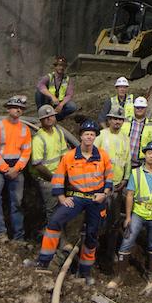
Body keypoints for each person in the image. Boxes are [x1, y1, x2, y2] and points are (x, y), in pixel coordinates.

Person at [34, 120, 113, 284]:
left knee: (92, 235)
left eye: (92, 134)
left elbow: (109, 178)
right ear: (81, 136)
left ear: (95, 137)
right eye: (86, 134)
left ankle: (84, 272)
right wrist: (62, 197)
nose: (89, 137)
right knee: (54, 222)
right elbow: (58, 178)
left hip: (96, 199)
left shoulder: (103, 156)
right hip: (76, 197)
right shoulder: (69, 156)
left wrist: (104, 194)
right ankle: (43, 261)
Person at [112, 141, 152, 289]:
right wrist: (128, 216)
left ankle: (150, 274)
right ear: (145, 155)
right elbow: (130, 195)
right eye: (149, 153)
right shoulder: (136, 173)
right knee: (127, 241)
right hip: (139, 212)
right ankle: (120, 276)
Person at [0, 95, 32, 240]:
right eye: (15, 107)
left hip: (16, 169)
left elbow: (26, 152)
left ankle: (19, 237)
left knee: (17, 202)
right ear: (8, 109)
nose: (18, 110)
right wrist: (6, 169)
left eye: (21, 108)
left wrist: (16, 168)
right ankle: (0, 233)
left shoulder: (25, 129)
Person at [96, 106, 131, 264]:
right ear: (109, 120)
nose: (117, 122)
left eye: (120, 119)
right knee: (98, 219)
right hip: (101, 185)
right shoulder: (101, 136)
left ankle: (110, 252)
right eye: (114, 119)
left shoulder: (125, 138)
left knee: (114, 221)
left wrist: (125, 178)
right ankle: (94, 251)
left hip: (117, 186)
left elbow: (127, 160)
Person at [30, 104, 66, 229]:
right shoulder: (38, 139)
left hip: (59, 176)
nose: (50, 119)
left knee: (63, 207)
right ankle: (54, 236)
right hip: (47, 179)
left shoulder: (59, 132)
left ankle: (60, 233)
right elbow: (38, 165)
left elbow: (64, 155)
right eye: (46, 117)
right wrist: (53, 178)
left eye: (51, 116)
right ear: (41, 120)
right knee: (53, 209)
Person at [35, 56, 78, 121]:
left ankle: (56, 117)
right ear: (55, 66)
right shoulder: (49, 77)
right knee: (38, 92)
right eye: (59, 65)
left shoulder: (67, 79)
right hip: (49, 101)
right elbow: (40, 85)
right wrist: (52, 97)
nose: (61, 68)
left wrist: (61, 104)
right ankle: (41, 114)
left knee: (72, 106)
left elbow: (69, 95)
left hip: (60, 102)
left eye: (63, 66)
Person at [127, 96, 152, 168]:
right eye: (137, 107)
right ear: (134, 108)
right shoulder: (125, 121)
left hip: (142, 164)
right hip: (124, 161)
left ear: (146, 109)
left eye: (142, 108)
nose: (139, 109)